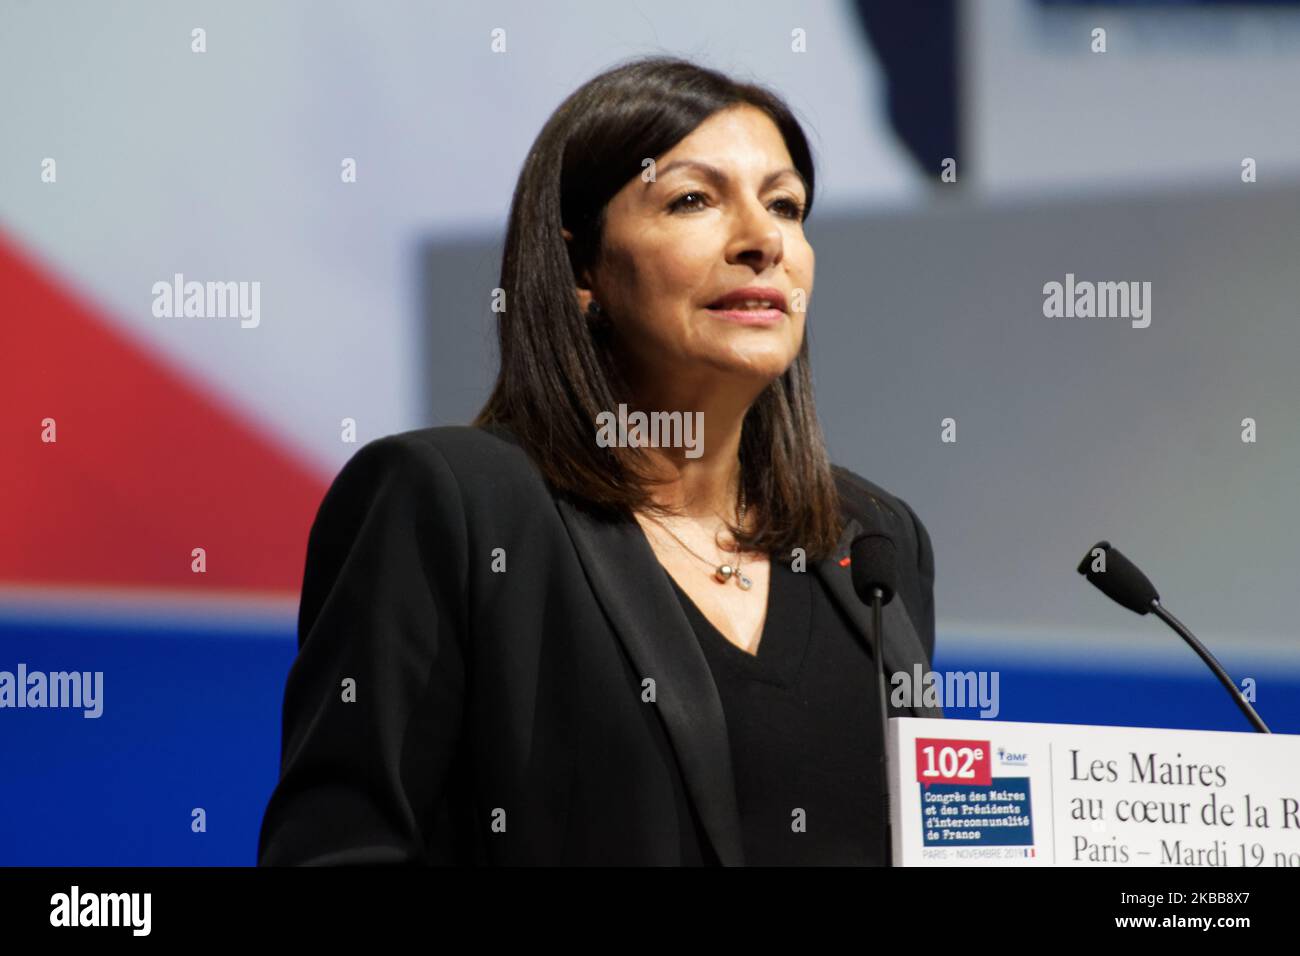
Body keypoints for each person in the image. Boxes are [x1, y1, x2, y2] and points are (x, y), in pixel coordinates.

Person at [257, 55, 940, 867]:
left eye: (786, 206)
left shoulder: (872, 543)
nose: (764, 242)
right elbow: (343, 852)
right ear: (583, 271)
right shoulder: (451, 505)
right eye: (693, 200)